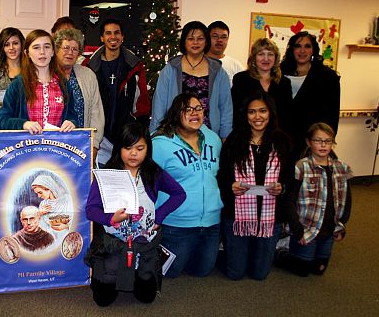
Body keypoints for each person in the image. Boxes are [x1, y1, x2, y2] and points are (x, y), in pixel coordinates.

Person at [85, 121, 186, 306]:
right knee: (102, 299)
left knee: (146, 297)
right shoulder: (106, 175)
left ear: (148, 149)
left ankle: (138, 276)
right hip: (113, 244)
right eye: (128, 148)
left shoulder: (154, 173)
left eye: (140, 148)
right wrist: (110, 218)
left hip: (144, 244)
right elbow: (90, 210)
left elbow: (179, 194)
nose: (133, 153)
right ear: (119, 148)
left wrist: (159, 216)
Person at [216, 92, 293, 280]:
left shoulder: (283, 141)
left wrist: (282, 187)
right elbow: (221, 175)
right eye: (252, 112)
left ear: (270, 113)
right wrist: (230, 186)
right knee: (235, 273)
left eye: (262, 111)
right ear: (245, 115)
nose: (257, 116)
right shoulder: (234, 140)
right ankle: (223, 253)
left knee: (259, 274)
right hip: (237, 215)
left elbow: (291, 178)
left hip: (270, 216)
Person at [151, 93, 223, 278]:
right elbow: (147, 183)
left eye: (198, 108)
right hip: (177, 224)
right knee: (169, 273)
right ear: (177, 113)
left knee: (202, 271)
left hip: (210, 222)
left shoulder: (214, 140)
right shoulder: (159, 144)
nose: (194, 113)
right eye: (188, 109)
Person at [277, 122, 352, 277]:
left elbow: (347, 200)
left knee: (318, 270)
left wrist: (341, 225)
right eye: (318, 140)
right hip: (306, 229)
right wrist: (297, 230)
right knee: (302, 271)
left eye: (328, 141)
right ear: (308, 142)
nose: (323, 145)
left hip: (328, 229)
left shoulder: (342, 168)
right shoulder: (301, 167)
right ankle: (279, 252)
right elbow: (289, 200)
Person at [150, 21, 232, 140]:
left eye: (200, 38)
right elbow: (159, 105)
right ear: (184, 41)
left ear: (206, 42)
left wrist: (225, 136)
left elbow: (226, 107)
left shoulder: (218, 71)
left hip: (209, 135)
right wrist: (155, 135)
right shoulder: (171, 69)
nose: (195, 42)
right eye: (190, 39)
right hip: (174, 135)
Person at [87, 19, 151, 165]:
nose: (113, 37)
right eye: (108, 33)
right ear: (102, 38)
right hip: (100, 138)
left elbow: (142, 101)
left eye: (116, 33)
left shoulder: (134, 66)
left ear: (122, 37)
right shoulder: (90, 66)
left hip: (126, 137)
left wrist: (140, 128)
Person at [0, 29, 78, 133]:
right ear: (27, 53)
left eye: (47, 47)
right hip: (26, 143)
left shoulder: (63, 84)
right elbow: (1, 120)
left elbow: (72, 116)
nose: (42, 52)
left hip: (57, 143)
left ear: (53, 52)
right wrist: (24, 124)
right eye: (36, 47)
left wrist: (72, 122)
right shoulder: (18, 84)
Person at [280, 31, 340, 156]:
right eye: (298, 46)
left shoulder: (327, 77)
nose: (302, 51)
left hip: (312, 142)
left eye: (307, 46)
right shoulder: (278, 73)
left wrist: (323, 142)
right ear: (292, 49)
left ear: (313, 50)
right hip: (283, 141)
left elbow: (332, 115)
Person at [54, 28, 105, 153]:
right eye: (66, 48)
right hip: (51, 144)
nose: (70, 53)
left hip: (82, 146)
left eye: (75, 49)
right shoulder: (46, 74)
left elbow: (96, 113)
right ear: (56, 50)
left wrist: (94, 144)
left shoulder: (88, 75)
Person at [232, 38, 292, 132]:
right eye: (261, 54)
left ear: (276, 58)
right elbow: (235, 112)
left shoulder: (284, 83)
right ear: (254, 57)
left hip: (276, 134)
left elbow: (287, 115)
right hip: (246, 133)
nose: (266, 59)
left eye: (270, 54)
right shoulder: (241, 79)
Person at [0, 27, 24, 91]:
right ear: (2, 48)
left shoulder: (31, 69)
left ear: (22, 44)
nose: (11, 47)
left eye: (15, 43)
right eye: (7, 44)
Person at [207, 21, 244, 86]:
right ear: (207, 38)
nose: (219, 40)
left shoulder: (236, 66)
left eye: (224, 37)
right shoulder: (198, 62)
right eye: (215, 36)